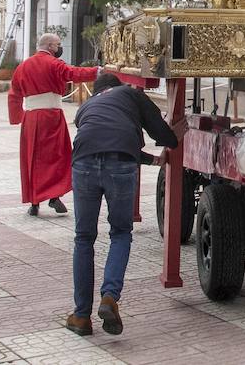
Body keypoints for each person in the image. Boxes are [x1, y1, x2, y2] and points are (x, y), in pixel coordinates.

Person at [66, 72, 180, 337]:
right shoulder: (131, 94)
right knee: (120, 233)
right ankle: (109, 297)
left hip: (83, 163)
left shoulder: (86, 107)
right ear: (119, 86)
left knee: (83, 238)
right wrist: (173, 138)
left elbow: (102, 140)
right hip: (121, 164)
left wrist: (153, 160)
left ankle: (81, 316)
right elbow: (162, 135)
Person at [7, 33, 109, 217]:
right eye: (58, 44)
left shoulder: (23, 66)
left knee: (32, 158)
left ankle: (35, 201)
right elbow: (73, 73)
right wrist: (97, 72)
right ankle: (53, 195)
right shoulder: (54, 64)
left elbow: (14, 93)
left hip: (31, 118)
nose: (59, 48)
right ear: (50, 46)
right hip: (51, 116)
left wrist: (18, 117)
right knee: (56, 156)